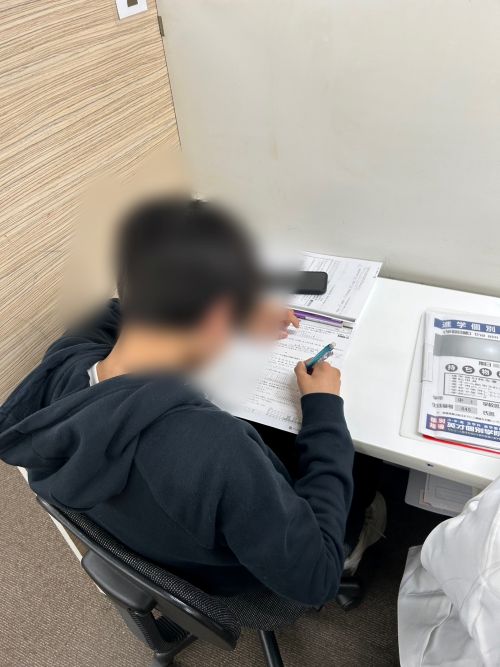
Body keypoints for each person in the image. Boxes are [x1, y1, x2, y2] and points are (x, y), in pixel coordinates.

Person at [0, 197, 383, 607]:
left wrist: (228, 311)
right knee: (360, 467)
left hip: (157, 533)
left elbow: (110, 314)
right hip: (236, 575)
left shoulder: (64, 364)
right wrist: (323, 410)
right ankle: (353, 548)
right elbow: (314, 581)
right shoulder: (217, 449)